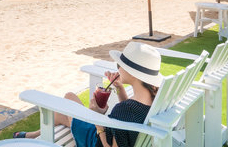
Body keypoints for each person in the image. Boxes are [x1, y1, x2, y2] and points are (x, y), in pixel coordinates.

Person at [13, 42, 163, 147]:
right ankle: (32, 135)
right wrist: (119, 88)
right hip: (116, 134)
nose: (117, 68)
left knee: (69, 97)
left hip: (94, 140)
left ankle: (31, 137)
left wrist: (97, 118)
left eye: (120, 65)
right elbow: (127, 120)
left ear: (133, 73)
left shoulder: (123, 110)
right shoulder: (153, 99)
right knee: (62, 114)